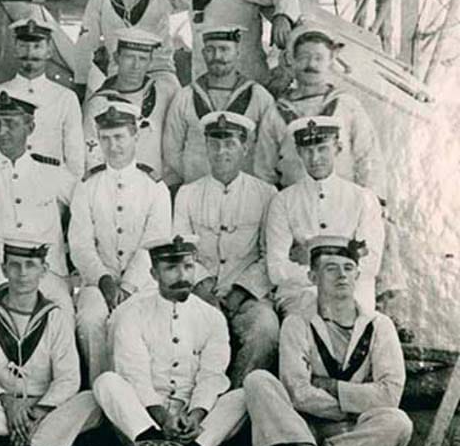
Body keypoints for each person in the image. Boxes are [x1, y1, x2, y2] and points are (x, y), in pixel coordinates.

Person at [243, 236, 412, 446]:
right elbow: (297, 392)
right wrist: (352, 401)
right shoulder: (297, 323)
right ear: (312, 276)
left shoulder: (380, 325)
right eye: (331, 268)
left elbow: (390, 395)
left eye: (348, 268)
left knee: (399, 422)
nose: (341, 276)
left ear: (357, 275)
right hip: (303, 426)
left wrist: (332, 386)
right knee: (258, 381)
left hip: (353, 430)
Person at [93, 235, 247, 446]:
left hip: (191, 418)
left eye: (188, 267)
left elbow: (212, 376)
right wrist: (163, 419)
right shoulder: (133, 314)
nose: (182, 276)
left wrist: (195, 416)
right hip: (146, 416)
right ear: (153, 274)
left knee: (244, 395)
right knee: (107, 382)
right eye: (171, 268)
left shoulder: (211, 317)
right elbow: (136, 377)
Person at [0, 237, 101, 446]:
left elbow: (68, 377)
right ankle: (42, 441)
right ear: (4, 269)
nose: (22, 273)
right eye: (14, 265)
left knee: (92, 401)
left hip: (44, 406)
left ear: (44, 270)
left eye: (30, 265)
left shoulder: (56, 317)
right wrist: (9, 402)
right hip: (3, 405)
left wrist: (40, 410)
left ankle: (11, 438)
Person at [172, 111, 279, 383]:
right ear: (206, 146)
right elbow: (181, 251)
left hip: (248, 296)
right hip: (199, 294)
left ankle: (237, 399)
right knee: (181, 331)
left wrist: (240, 292)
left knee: (265, 328)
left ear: (245, 148)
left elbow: (271, 256)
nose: (222, 152)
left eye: (230, 143)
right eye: (214, 144)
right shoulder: (188, 194)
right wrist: (204, 288)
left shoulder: (266, 194)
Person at [0, 91, 76, 332]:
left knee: (63, 311)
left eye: (10, 123)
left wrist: (74, 261)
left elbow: (87, 213)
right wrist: (0, 283)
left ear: (30, 127)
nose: (1, 132)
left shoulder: (52, 172)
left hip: (46, 272)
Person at [70, 102, 172, 384]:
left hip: (142, 282)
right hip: (96, 281)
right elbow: (80, 244)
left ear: (135, 137)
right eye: (105, 138)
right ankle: (99, 391)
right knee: (90, 320)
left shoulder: (154, 187)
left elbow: (155, 242)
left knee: (134, 323)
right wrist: (103, 279)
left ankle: (139, 395)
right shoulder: (87, 185)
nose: (113, 146)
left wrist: (126, 286)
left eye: (120, 137)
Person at [265, 116, 384, 316]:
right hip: (300, 292)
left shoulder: (363, 198)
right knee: (312, 313)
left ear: (337, 148)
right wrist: (343, 252)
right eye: (307, 151)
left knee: (353, 317)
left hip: (353, 291)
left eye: (322, 149)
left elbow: (370, 263)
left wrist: (314, 257)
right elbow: (276, 269)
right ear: (299, 153)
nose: (315, 158)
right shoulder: (283, 201)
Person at [253, 30, 387, 198]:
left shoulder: (347, 106)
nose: (311, 64)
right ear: (292, 61)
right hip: (295, 207)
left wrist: (372, 202)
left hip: (343, 205)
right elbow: (264, 170)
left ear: (330, 62)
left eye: (319, 58)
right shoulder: (276, 113)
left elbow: (368, 157)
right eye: (303, 57)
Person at [162, 25, 275, 189]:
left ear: (237, 54)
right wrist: (194, 176)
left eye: (224, 49)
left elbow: (269, 150)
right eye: (210, 50)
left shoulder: (258, 97)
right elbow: (172, 149)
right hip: (196, 190)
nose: (217, 56)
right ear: (202, 54)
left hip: (244, 193)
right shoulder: (185, 96)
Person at [0, 18, 85, 177]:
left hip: (49, 187)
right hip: (4, 186)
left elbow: (75, 156)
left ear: (49, 51)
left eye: (37, 47)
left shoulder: (65, 98)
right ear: (15, 50)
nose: (30, 53)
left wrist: (73, 196)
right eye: (23, 46)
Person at [83, 28, 173, 175]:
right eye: (129, 57)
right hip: (114, 185)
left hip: (154, 185)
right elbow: (92, 153)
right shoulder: (99, 102)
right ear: (117, 58)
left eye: (142, 59)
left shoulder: (163, 93)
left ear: (150, 62)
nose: (136, 66)